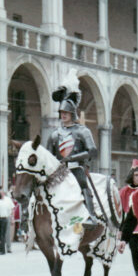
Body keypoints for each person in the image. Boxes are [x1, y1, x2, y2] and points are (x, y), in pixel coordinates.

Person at [46, 69, 99, 226]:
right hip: (59, 171)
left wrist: (72, 158)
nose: (63, 115)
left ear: (72, 113)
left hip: (76, 168)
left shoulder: (82, 131)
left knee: (82, 184)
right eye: (61, 112)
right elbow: (49, 156)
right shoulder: (54, 134)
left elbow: (92, 151)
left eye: (66, 112)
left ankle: (90, 215)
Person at [0, 190, 14, 254]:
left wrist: (12, 218)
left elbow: (12, 208)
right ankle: (2, 249)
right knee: (2, 235)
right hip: (3, 217)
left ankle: (7, 248)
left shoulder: (7, 199)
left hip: (6, 217)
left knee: (5, 234)